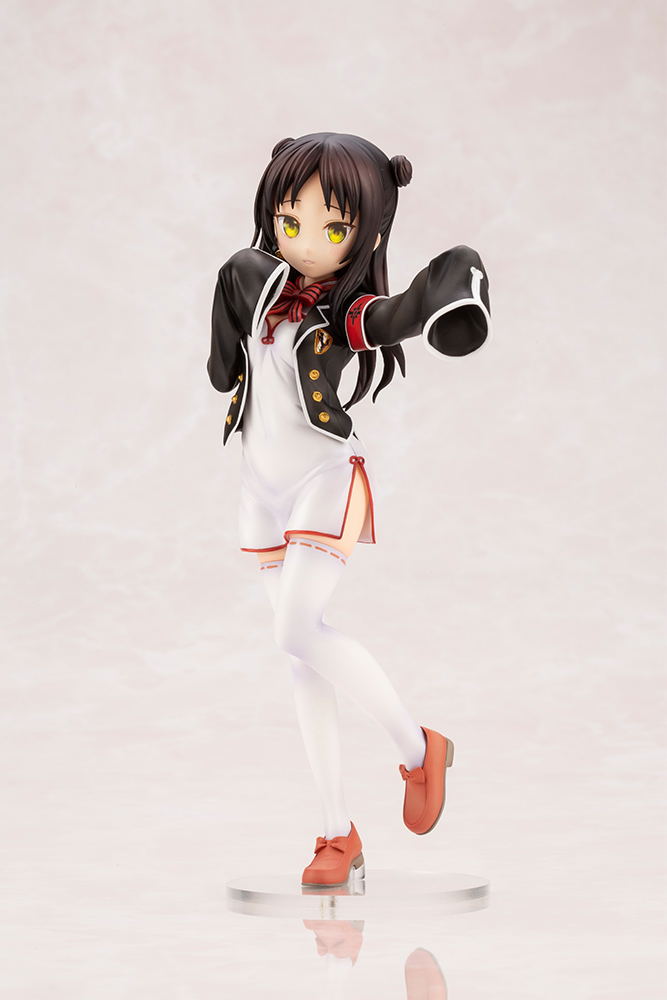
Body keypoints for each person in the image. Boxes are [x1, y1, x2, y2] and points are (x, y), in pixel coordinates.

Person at [207, 132, 492, 888]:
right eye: (289, 220)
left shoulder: (342, 311)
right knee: (299, 659)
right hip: (258, 490)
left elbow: (395, 315)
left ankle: (417, 749)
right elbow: (222, 372)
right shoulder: (252, 287)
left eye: (332, 229)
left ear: (365, 234)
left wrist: (450, 286)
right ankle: (337, 834)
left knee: (296, 629)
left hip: (322, 483)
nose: (305, 241)